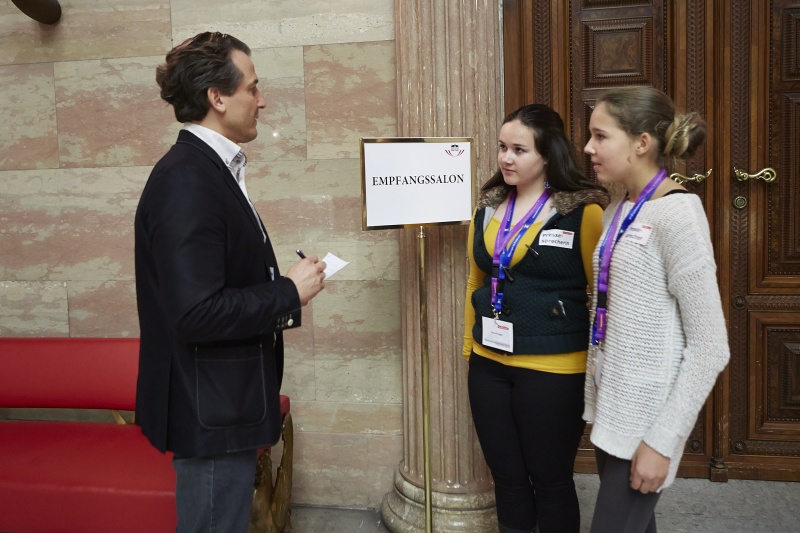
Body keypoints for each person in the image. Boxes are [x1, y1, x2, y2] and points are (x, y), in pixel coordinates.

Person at [134, 32, 326, 533]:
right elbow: (195, 312)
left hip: (224, 404)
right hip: (211, 412)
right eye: (253, 88)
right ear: (217, 98)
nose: (262, 100)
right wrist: (288, 291)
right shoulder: (187, 179)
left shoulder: (209, 170)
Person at [582, 86, 730, 533]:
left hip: (646, 422)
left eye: (600, 136)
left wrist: (662, 442)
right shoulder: (617, 209)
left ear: (641, 143)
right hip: (613, 408)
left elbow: (710, 346)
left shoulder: (679, 214)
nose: (588, 147)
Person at [463, 103, 609, 533]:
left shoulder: (584, 213)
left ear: (547, 154)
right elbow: (476, 279)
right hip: (489, 365)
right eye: (502, 147)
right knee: (506, 479)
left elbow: (604, 297)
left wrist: (604, 369)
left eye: (519, 150)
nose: (506, 158)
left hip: (554, 368)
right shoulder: (488, 207)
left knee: (550, 481)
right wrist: (469, 348)